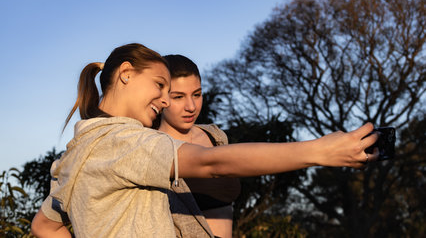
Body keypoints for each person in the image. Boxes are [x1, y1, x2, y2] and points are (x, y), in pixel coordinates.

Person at [31, 43, 379, 238]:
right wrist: (317, 150)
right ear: (125, 74)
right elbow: (212, 163)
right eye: (160, 86)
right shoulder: (127, 141)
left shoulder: (76, 153)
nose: (167, 101)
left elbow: (45, 226)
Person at [158, 55, 240, 238]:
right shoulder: (152, 146)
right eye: (178, 97)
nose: (191, 106)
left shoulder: (216, 136)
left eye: (196, 94)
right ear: (161, 98)